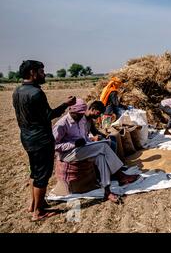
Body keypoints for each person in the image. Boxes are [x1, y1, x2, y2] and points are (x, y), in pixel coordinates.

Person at [12, 60, 76, 221]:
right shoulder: (36, 93)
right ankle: (38, 212)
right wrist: (66, 104)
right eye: (41, 71)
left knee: (35, 172)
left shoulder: (17, 91)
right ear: (32, 73)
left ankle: (34, 204)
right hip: (41, 140)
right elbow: (48, 115)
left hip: (27, 138)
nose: (44, 74)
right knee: (42, 176)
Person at [53, 98, 139, 203]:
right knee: (103, 146)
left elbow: (86, 136)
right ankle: (120, 175)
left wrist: (91, 140)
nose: (81, 117)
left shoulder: (79, 120)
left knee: (101, 156)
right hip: (68, 154)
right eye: (80, 114)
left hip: (82, 149)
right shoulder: (62, 124)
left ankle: (107, 191)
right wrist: (73, 144)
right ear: (72, 111)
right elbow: (53, 145)